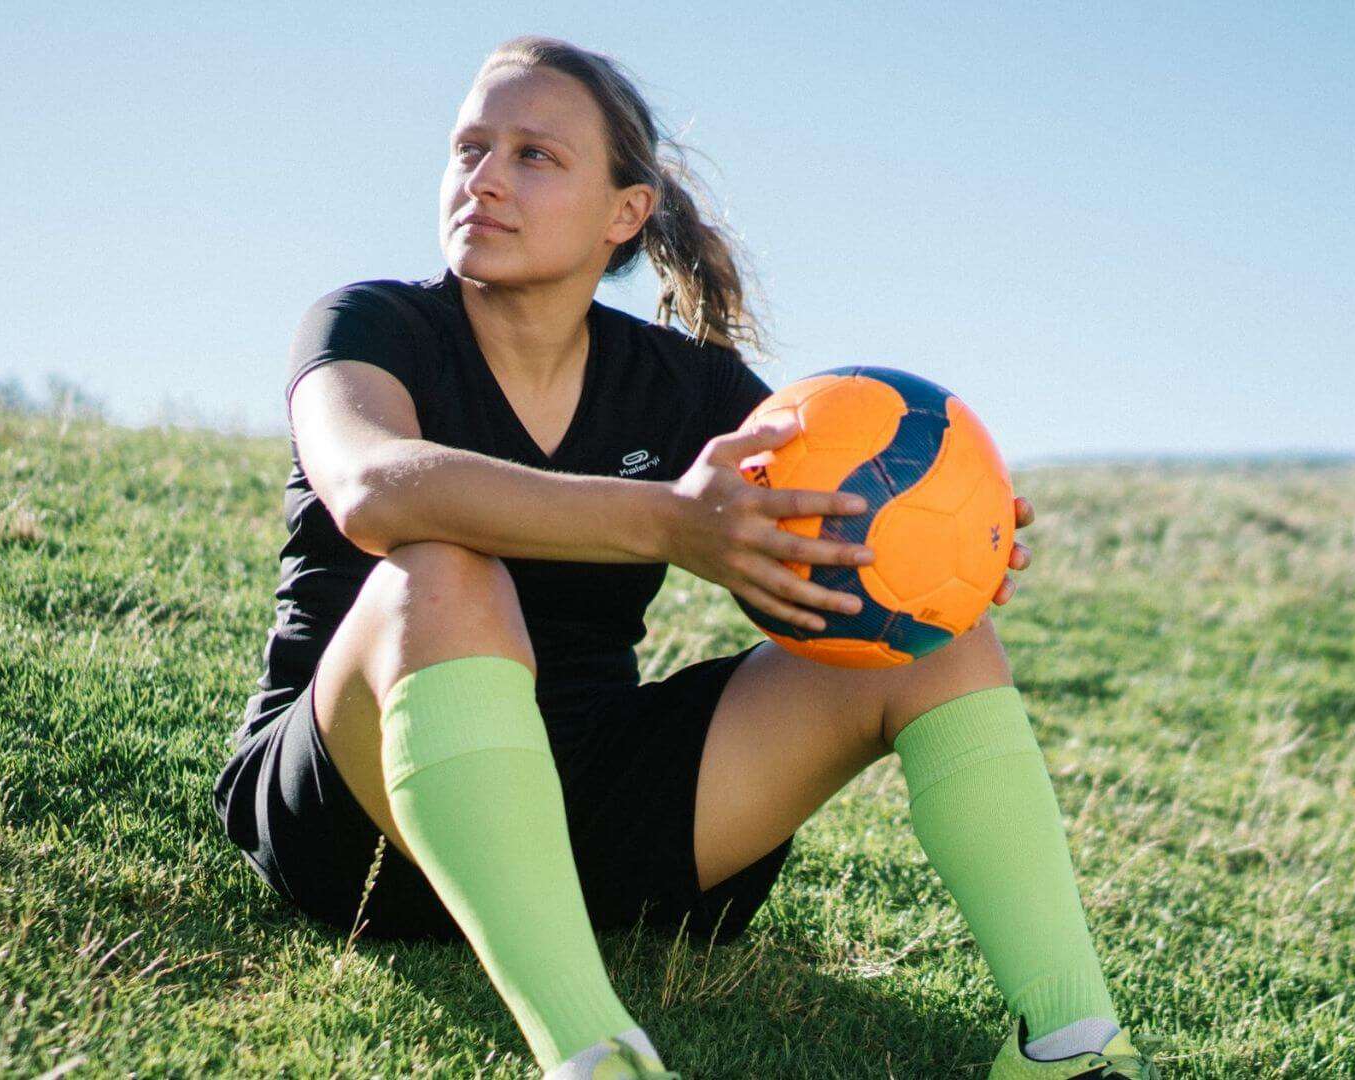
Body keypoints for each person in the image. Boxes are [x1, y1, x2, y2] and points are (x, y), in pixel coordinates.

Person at [210, 34, 1154, 1080]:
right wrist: (666, 518)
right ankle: (594, 1057)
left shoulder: (689, 385)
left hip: (591, 815)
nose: (485, 176)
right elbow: (372, 488)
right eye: (469, 146)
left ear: (626, 212)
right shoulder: (372, 324)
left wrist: (941, 543)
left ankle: (1073, 1047)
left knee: (931, 639)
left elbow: (817, 531)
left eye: (535, 155)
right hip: (360, 815)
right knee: (445, 568)